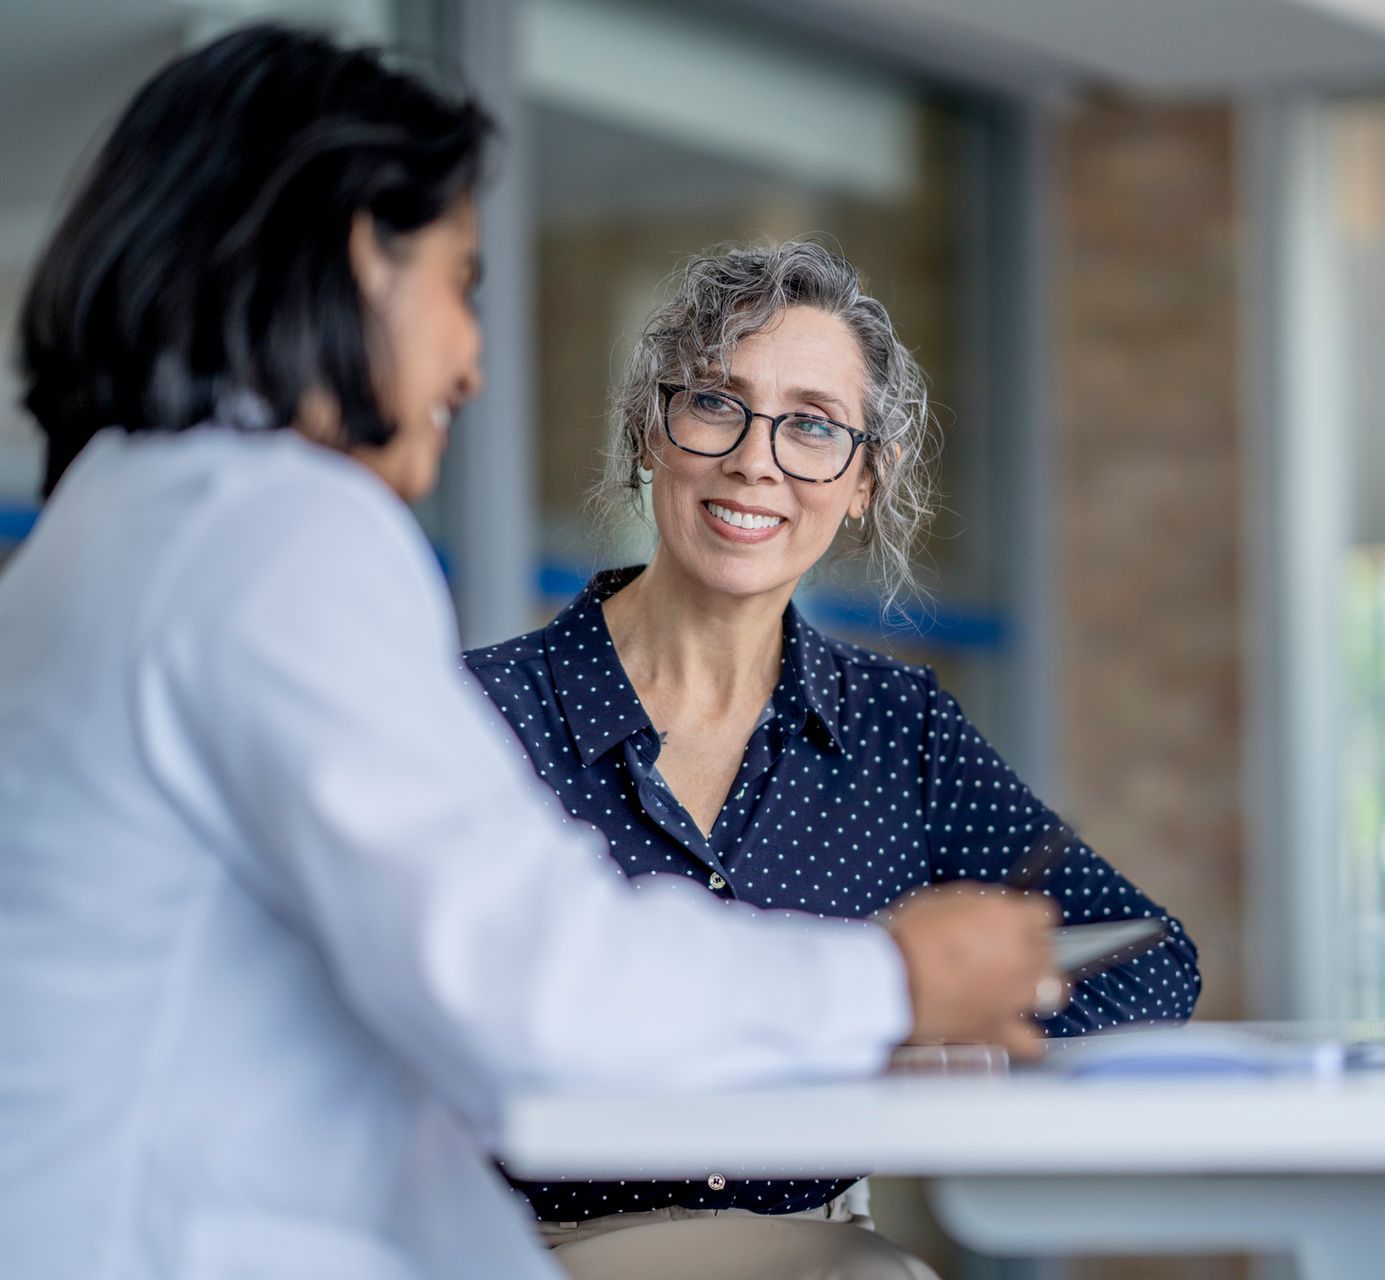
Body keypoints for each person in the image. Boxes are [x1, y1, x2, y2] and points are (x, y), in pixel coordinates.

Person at [0, 27, 1060, 1280]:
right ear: (359, 258)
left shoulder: (111, 527)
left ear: (867, 482)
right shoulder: (280, 531)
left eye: (813, 428)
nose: (474, 359)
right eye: (460, 283)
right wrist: (887, 978)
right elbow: (530, 981)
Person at [463, 240, 1204, 1279]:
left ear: (865, 480)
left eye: (812, 424)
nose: (757, 460)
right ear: (648, 429)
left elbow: (1145, 952)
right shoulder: (482, 716)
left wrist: (966, 1029)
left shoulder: (897, 729)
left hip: (815, 1251)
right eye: (718, 404)